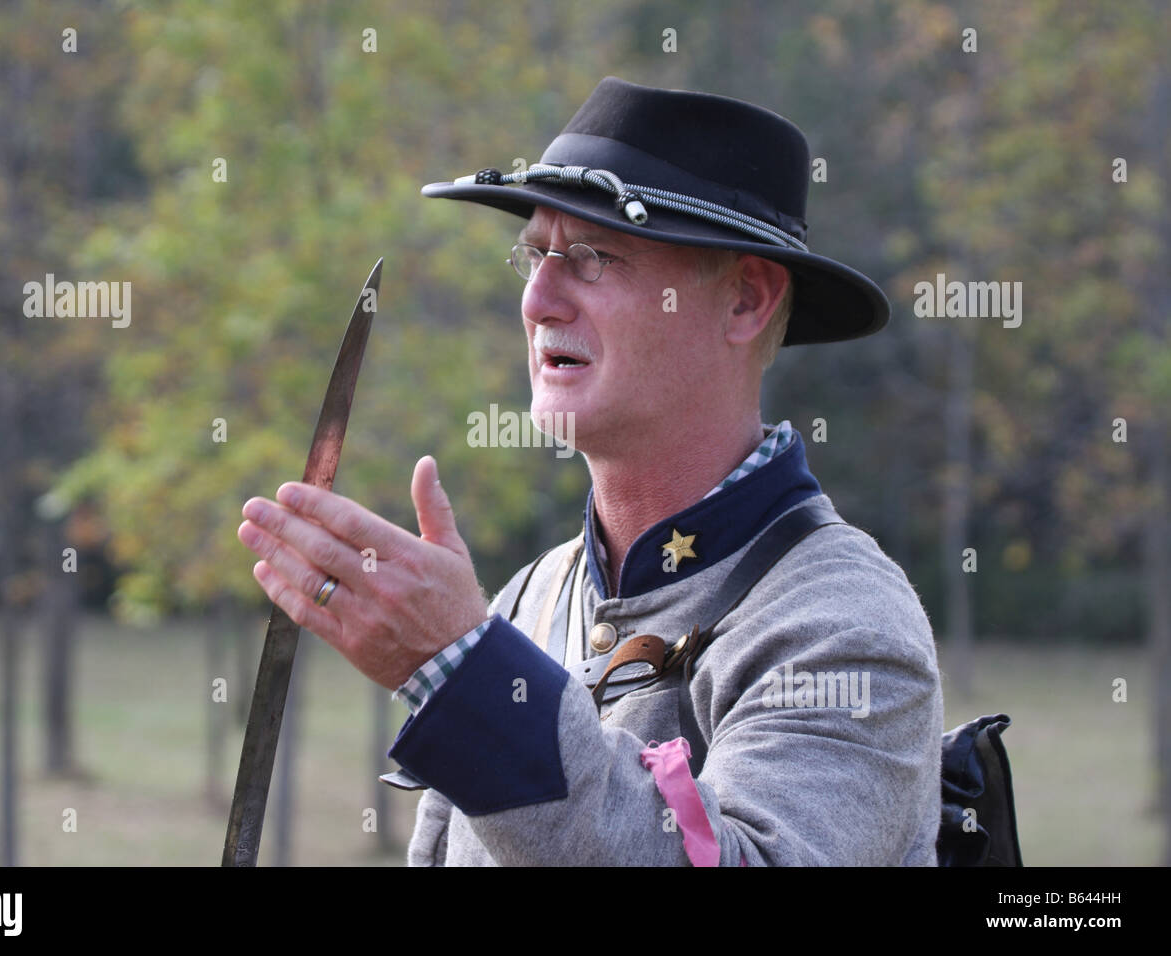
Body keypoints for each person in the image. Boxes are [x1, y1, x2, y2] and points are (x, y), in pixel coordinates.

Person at [237, 76, 943, 866]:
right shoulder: (531, 601)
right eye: (535, 254)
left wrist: (467, 676)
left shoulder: (844, 627)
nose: (539, 298)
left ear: (745, 300)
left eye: (594, 257)